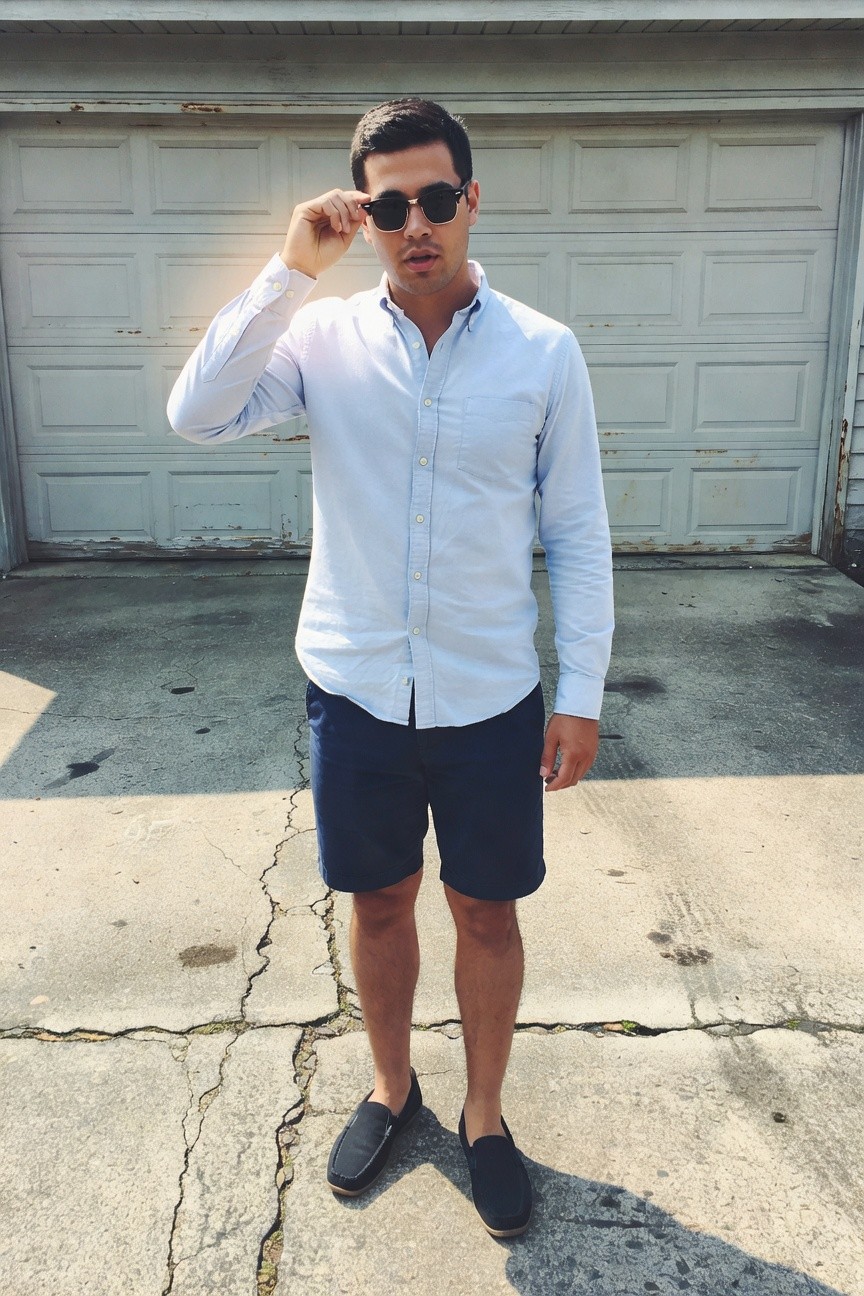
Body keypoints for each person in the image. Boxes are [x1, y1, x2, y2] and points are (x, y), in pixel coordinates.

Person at [168, 97, 613, 1238]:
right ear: (363, 217)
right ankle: (390, 1087)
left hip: (489, 695)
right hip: (357, 687)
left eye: (437, 199)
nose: (416, 225)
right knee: (378, 901)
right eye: (389, 207)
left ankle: (484, 1116)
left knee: (487, 913)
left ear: (472, 200)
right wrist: (288, 270)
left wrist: (580, 695)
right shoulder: (320, 340)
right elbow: (197, 414)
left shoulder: (544, 352)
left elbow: (577, 531)